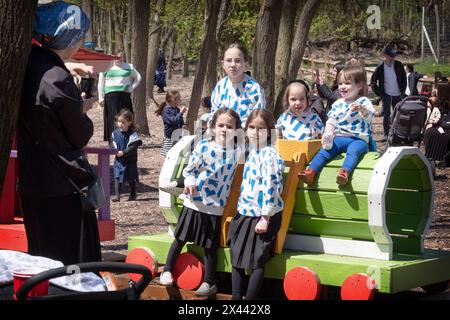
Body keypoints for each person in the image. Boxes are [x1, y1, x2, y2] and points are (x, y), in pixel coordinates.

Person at [17, 1, 101, 265]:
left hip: (33, 181)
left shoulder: (28, 63)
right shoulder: (57, 79)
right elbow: (79, 135)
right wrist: (83, 107)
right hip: (64, 188)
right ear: (69, 34)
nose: (82, 41)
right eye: (80, 35)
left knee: (41, 260)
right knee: (70, 267)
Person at [159, 108, 243, 297]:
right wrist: (189, 183)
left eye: (230, 126)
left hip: (215, 207)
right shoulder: (204, 146)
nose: (224, 129)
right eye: (220, 125)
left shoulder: (238, 152)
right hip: (194, 202)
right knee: (180, 238)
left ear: (237, 130)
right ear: (213, 126)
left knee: (210, 246)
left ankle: (209, 281)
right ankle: (167, 269)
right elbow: (190, 171)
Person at [227, 109, 285, 300]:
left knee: (257, 260)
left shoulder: (269, 155)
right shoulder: (252, 151)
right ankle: (236, 298)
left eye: (261, 129)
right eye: (251, 127)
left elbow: (271, 187)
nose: (255, 132)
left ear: (269, 132)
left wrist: (265, 218)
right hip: (245, 211)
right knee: (236, 257)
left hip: (262, 216)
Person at [300, 65, 375, 186]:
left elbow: (370, 117)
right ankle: (311, 171)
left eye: (347, 83)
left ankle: (345, 172)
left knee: (353, 151)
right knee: (326, 150)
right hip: (341, 137)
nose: (342, 87)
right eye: (340, 84)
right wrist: (328, 132)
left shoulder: (363, 101)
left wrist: (362, 110)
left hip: (359, 138)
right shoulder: (338, 103)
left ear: (359, 85)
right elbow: (332, 120)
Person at [211, 43, 266, 127]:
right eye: (228, 60)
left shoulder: (254, 88)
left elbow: (256, 119)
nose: (232, 65)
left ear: (246, 63)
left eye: (237, 61)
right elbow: (214, 114)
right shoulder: (220, 86)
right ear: (223, 64)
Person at [98, 49, 141, 142]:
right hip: (110, 98)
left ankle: (127, 139)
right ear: (113, 57)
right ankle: (113, 141)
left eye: (122, 57)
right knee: (113, 118)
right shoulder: (106, 66)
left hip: (124, 97)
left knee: (126, 118)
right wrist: (100, 98)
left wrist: (131, 88)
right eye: (118, 57)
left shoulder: (129, 66)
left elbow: (138, 77)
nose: (120, 59)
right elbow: (101, 83)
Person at [370, 46, 407, 141]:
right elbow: (373, 81)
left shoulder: (399, 65)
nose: (392, 58)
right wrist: (380, 93)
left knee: (398, 115)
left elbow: (404, 78)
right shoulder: (381, 67)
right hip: (386, 94)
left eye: (394, 56)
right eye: (390, 56)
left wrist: (402, 90)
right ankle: (387, 134)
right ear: (385, 55)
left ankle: (396, 133)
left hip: (398, 94)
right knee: (386, 115)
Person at [111, 109, 143, 202]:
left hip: (130, 160)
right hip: (118, 160)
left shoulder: (133, 134)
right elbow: (112, 144)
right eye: (119, 121)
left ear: (129, 123)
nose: (120, 124)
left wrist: (124, 152)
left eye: (123, 122)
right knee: (117, 177)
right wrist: (115, 151)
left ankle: (133, 194)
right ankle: (117, 196)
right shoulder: (115, 133)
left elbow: (134, 146)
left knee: (131, 177)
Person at [155, 90, 187, 157]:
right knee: (169, 156)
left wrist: (183, 127)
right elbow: (173, 121)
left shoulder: (177, 109)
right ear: (173, 100)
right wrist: (181, 113)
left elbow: (180, 122)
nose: (180, 100)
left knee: (176, 155)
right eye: (179, 98)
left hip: (177, 136)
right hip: (170, 137)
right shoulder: (166, 110)